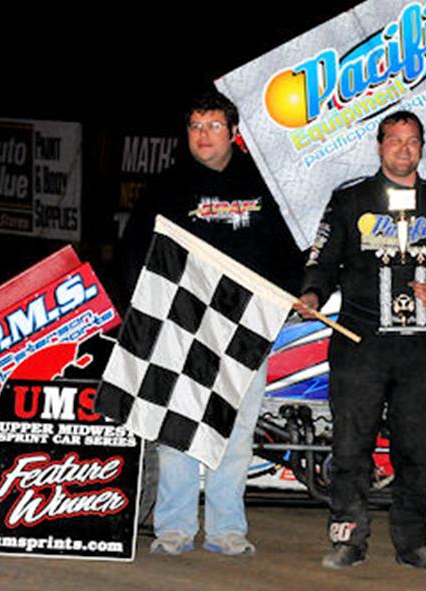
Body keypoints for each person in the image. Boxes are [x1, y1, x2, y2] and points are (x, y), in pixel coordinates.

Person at [122, 90, 304, 558]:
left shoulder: (264, 184)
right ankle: (175, 528)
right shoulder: (165, 188)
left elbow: (290, 255)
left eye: (213, 126)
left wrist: (289, 298)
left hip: (246, 328)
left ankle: (227, 528)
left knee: (235, 432)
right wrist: (142, 315)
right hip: (181, 327)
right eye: (196, 127)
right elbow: (134, 256)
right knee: (176, 431)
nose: (203, 136)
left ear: (234, 133)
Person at [296, 110, 426, 571]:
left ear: (422, 147)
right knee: (350, 445)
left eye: (412, 141)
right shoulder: (350, 199)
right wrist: (313, 293)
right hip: (360, 342)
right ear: (379, 146)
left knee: (417, 447)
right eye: (394, 140)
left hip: (421, 349)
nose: (403, 148)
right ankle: (348, 538)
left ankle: (413, 542)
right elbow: (323, 260)